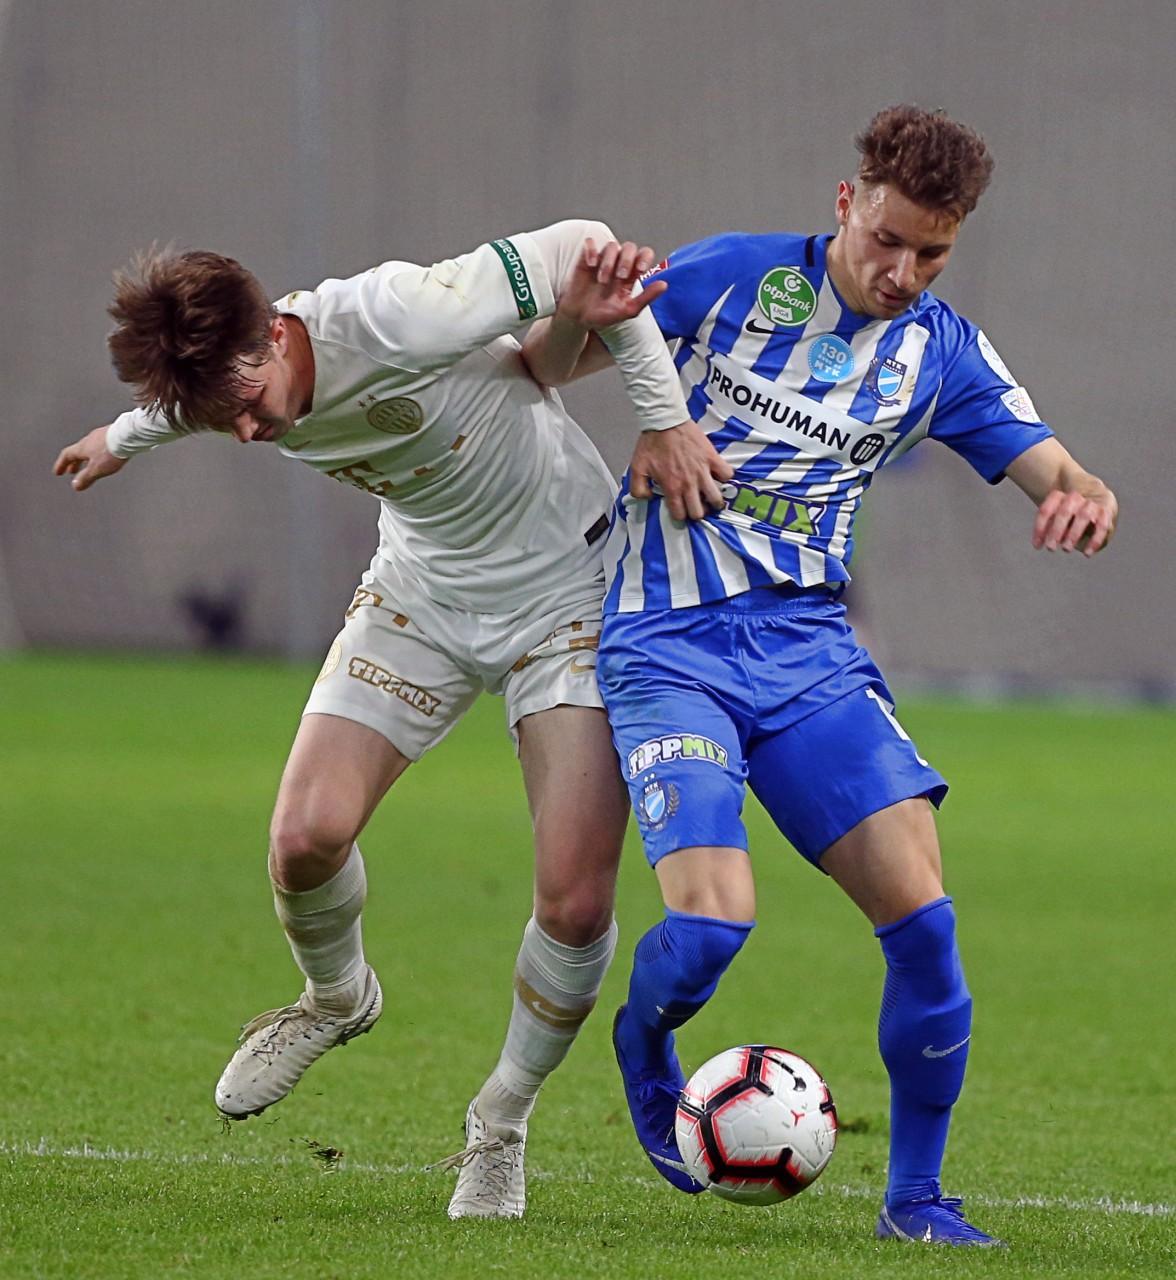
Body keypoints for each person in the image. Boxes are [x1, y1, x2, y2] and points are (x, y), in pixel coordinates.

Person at [519, 106, 1118, 1246]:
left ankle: (916, 1200)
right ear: (847, 203)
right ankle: (645, 1037)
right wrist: (607, 358)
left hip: (809, 657)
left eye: (932, 253)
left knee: (926, 925)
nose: (903, 273)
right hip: (667, 645)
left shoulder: (939, 351)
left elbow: (1055, 468)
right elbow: (544, 367)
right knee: (711, 930)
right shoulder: (730, 278)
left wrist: (1081, 495)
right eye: (887, 240)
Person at [52, 220, 725, 1220]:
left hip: (572, 593)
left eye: (249, 404)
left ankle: (499, 1124)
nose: (249, 434)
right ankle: (337, 997)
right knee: (303, 839)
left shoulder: (398, 314)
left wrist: (662, 419)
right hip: (421, 597)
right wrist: (120, 438)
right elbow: (192, 402)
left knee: (577, 903)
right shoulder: (233, 379)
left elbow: (585, 250)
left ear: (276, 334)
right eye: (220, 420)